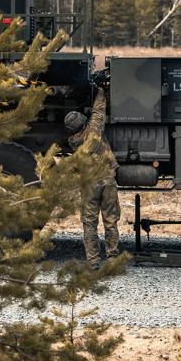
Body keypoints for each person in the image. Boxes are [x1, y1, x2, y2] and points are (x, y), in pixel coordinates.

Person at [76, 90, 119, 264]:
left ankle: (93, 260)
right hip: (107, 179)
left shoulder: (73, 140)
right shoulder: (93, 130)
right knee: (110, 221)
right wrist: (101, 91)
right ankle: (112, 257)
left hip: (89, 184)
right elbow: (99, 110)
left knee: (89, 223)